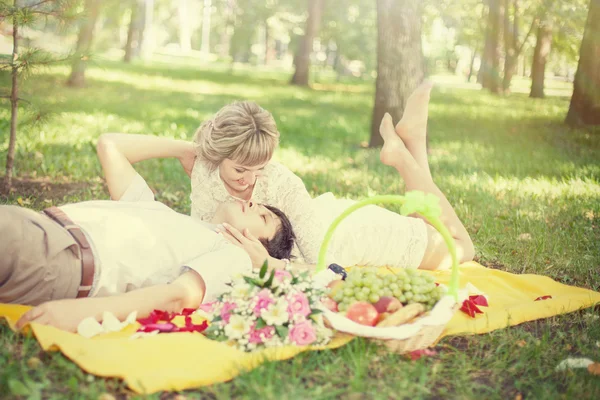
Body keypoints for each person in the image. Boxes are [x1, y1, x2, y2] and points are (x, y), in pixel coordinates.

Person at [2, 134, 295, 332]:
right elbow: (110, 145)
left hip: (58, 258)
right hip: (38, 229)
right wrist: (189, 150)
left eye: (264, 216)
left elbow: (177, 297)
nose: (254, 202)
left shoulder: (232, 256)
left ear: (259, 246)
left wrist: (78, 314)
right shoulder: (164, 216)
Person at [194, 84, 474, 271]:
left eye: (259, 168)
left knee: (462, 248)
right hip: (334, 221)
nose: (250, 180)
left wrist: (269, 264)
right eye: (240, 170)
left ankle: (403, 156)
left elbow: (326, 266)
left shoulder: (282, 182)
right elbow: (199, 234)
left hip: (351, 234)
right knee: (421, 221)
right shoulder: (206, 175)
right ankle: (414, 139)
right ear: (218, 156)